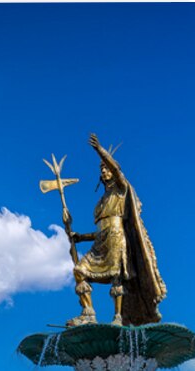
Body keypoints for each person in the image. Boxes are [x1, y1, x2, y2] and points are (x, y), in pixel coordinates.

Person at [67, 134, 167, 327]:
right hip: (101, 240)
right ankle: (88, 313)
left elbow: (117, 170)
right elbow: (101, 230)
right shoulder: (101, 201)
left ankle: (118, 317)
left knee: (116, 276)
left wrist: (100, 152)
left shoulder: (121, 189)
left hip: (116, 238)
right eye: (102, 170)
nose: (105, 172)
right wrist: (80, 237)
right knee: (79, 271)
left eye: (107, 169)